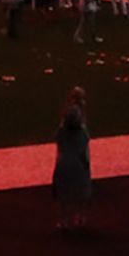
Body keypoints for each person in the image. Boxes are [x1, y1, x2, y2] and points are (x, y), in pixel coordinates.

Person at [52, 87, 95, 229]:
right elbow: (84, 152)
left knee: (63, 194)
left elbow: (59, 147)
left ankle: (63, 220)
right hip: (78, 165)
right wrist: (87, 166)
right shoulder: (82, 134)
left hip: (63, 164)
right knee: (81, 192)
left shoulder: (61, 133)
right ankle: (80, 217)